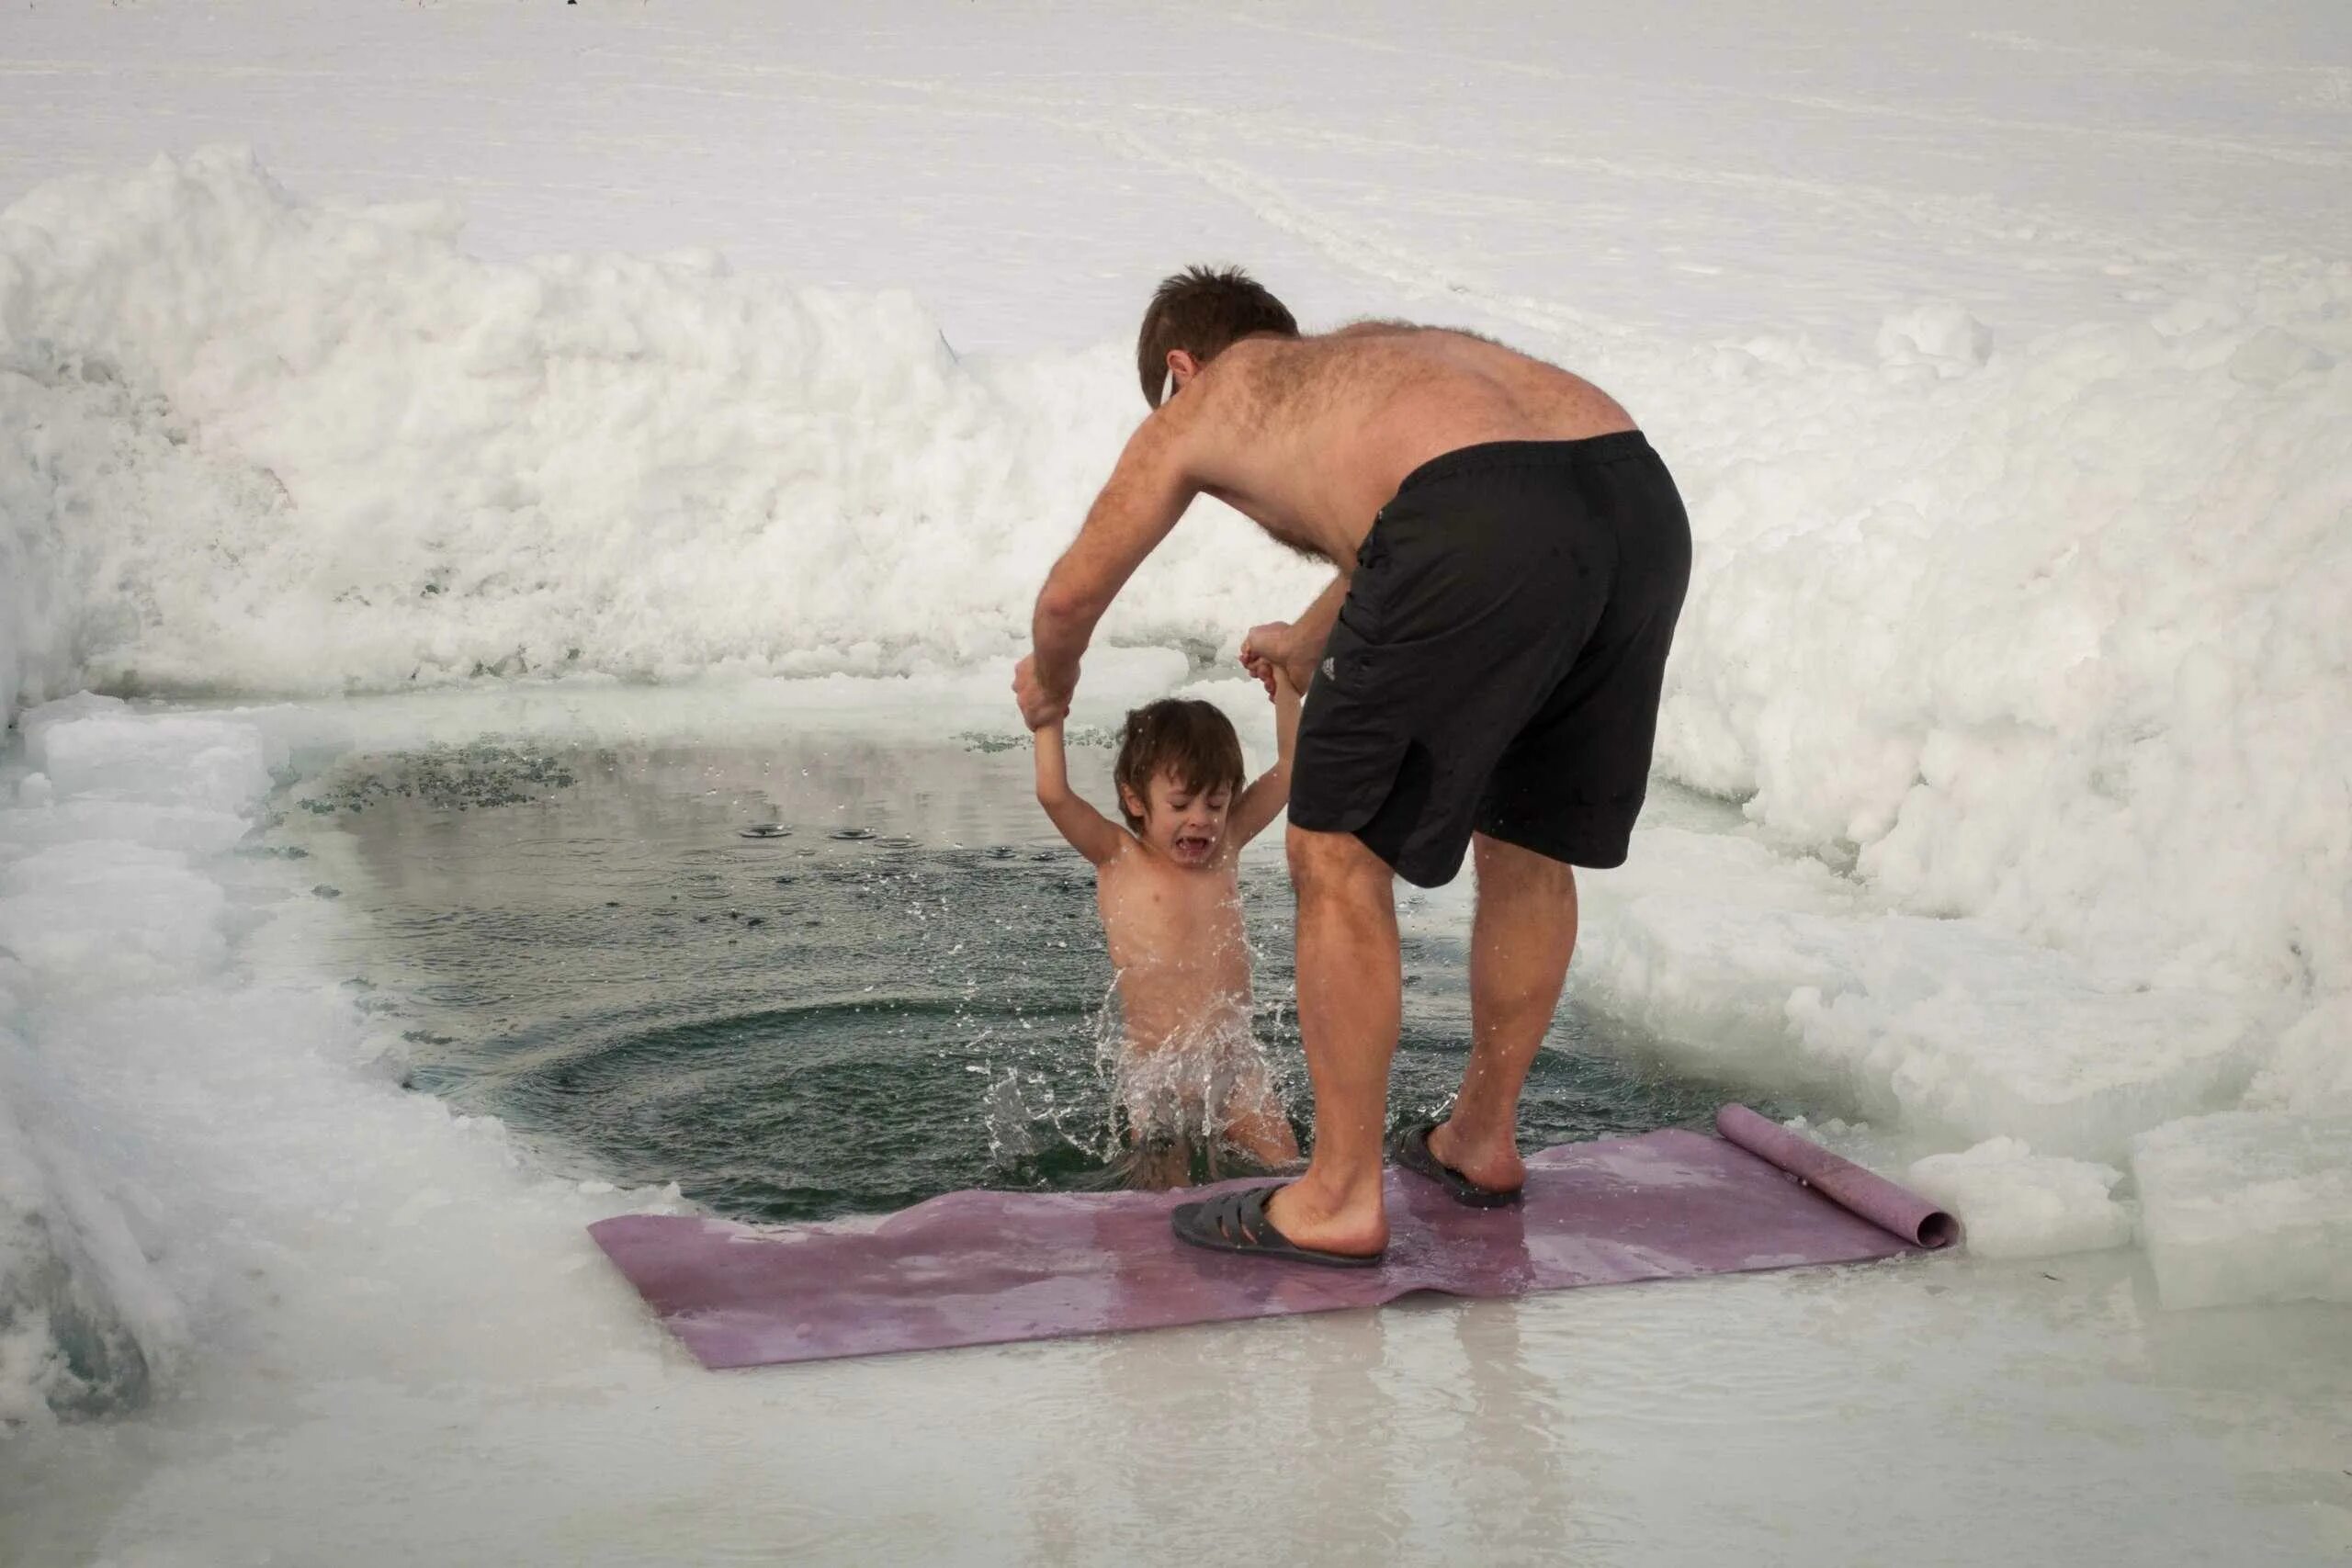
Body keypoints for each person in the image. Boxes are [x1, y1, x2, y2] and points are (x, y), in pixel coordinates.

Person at [1012, 265, 1690, 1265]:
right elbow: (1417, 508)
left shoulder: (1208, 401)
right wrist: (1307, 638)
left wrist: (1051, 686)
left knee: (1333, 853)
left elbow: (1068, 600)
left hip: (1482, 517)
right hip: (1635, 496)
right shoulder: (1365, 356)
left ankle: (1334, 1196)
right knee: (1529, 838)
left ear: (1180, 367)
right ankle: (1480, 1139)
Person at [1031, 682, 1303, 1185]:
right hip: (1159, 1076)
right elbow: (1054, 794)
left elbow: (1289, 769)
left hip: (1234, 1068)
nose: (1200, 821)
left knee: (1290, 1174)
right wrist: (1048, 717)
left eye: (1216, 804)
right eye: (1180, 806)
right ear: (1136, 800)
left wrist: (1287, 684)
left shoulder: (1227, 846)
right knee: (1160, 1194)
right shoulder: (1117, 856)